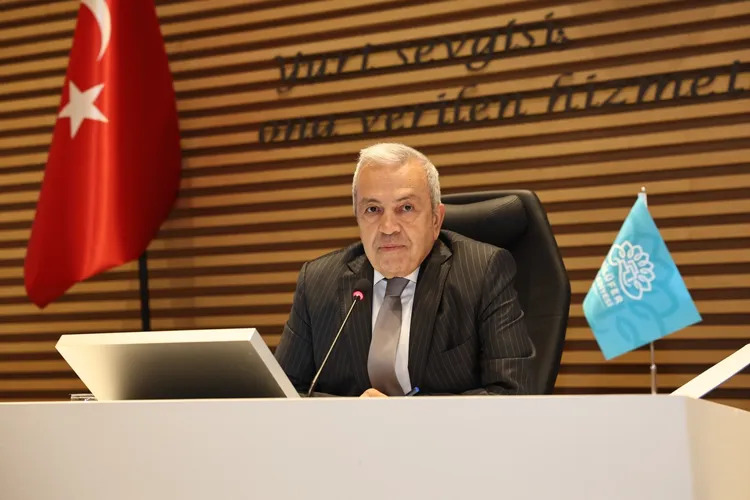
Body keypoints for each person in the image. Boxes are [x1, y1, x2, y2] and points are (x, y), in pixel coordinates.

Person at [275, 143, 536, 397]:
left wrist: (402, 416)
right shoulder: (318, 282)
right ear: (358, 218)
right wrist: (353, 413)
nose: (388, 227)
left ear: (436, 220)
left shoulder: (482, 272)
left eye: (406, 208)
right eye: (373, 209)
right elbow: (282, 395)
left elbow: (512, 392)